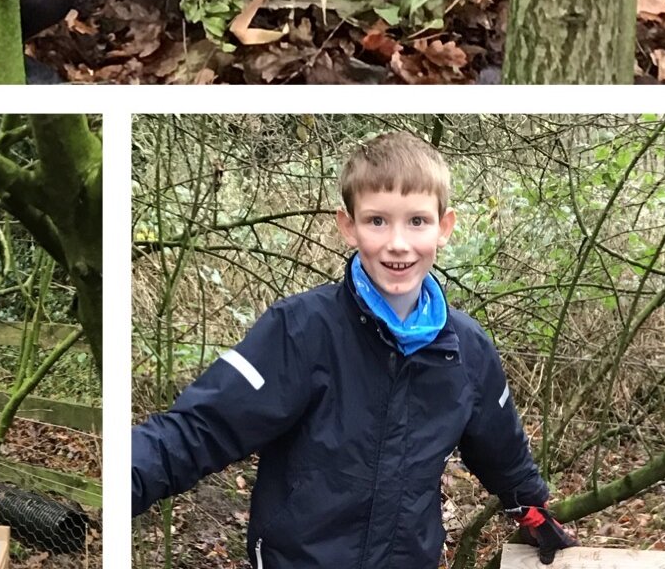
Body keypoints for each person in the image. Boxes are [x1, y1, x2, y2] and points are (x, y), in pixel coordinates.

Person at [130, 132, 580, 568]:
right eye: (377, 221)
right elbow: (200, 429)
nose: (398, 243)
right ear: (349, 226)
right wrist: (123, 478)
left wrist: (532, 511)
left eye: (417, 221)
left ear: (444, 227)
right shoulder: (301, 329)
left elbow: (501, 449)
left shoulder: (467, 349)